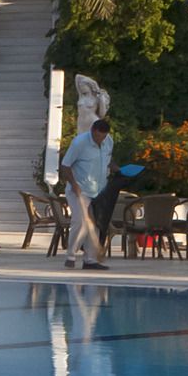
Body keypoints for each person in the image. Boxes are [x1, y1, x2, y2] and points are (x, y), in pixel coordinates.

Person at [60, 115, 118, 270]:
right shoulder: (79, 143)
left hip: (99, 190)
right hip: (79, 189)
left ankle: (90, 260)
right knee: (80, 222)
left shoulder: (109, 141)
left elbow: (108, 160)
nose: (100, 140)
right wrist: (73, 184)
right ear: (92, 131)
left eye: (103, 137)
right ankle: (70, 256)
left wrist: (117, 169)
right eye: (98, 136)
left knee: (96, 224)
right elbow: (65, 165)